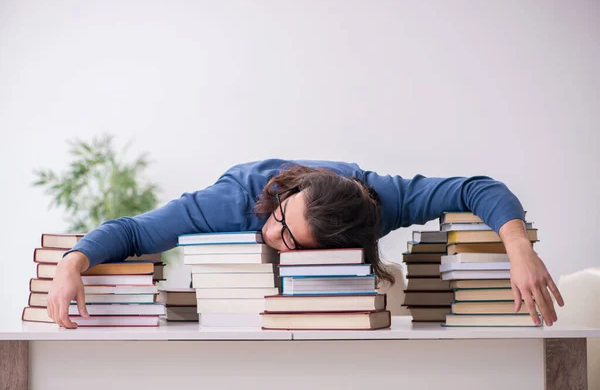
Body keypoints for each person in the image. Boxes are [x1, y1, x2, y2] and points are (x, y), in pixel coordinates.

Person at [46, 158, 564, 329]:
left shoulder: (380, 202)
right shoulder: (236, 201)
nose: (273, 231)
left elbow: (476, 189)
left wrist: (518, 246)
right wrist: (74, 260)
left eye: (289, 237)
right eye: (280, 216)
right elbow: (135, 231)